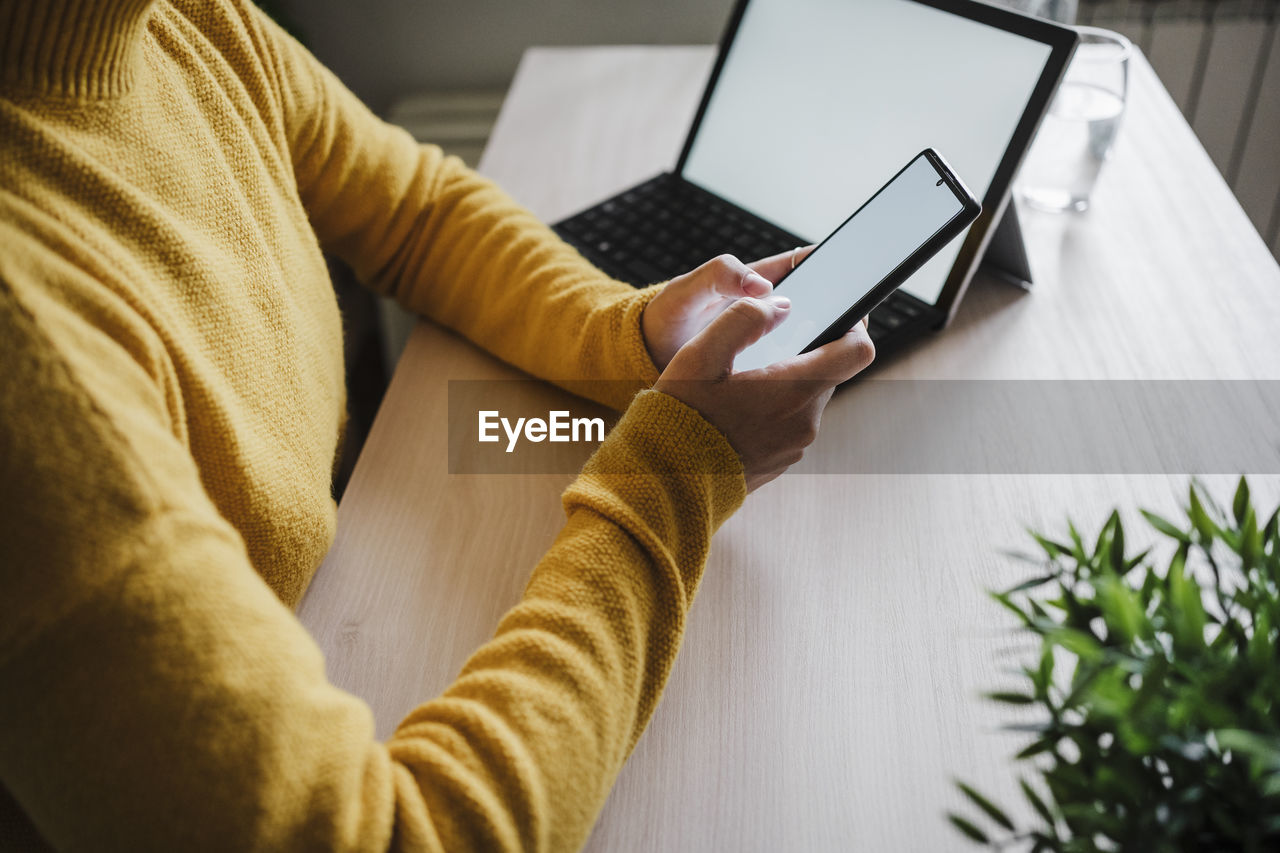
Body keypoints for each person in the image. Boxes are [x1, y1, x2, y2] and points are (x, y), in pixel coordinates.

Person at [0, 0, 875, 849]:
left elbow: (417, 211)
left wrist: (629, 337)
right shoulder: (27, 366)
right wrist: (676, 475)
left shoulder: (175, 19)